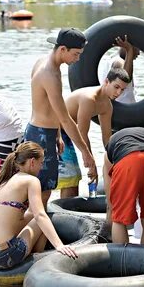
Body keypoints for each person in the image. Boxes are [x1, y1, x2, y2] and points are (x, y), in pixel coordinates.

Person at [25, 27, 97, 206]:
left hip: (38, 131)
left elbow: (50, 106)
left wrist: (57, 134)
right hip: (41, 136)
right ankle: (31, 232)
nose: (78, 59)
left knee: (38, 190)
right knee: (41, 193)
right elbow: (66, 118)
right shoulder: (50, 74)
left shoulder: (43, 61)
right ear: (62, 49)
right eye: (76, 54)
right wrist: (86, 153)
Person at [0, 141, 77, 269]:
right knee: (41, 220)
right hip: (4, 256)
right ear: (32, 162)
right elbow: (39, 215)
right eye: (41, 163)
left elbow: (26, 215)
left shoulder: (3, 180)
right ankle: (37, 262)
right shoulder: (32, 181)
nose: (41, 167)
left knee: (32, 217)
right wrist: (59, 245)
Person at [58, 68, 130, 198]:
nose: (118, 93)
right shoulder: (89, 99)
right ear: (106, 81)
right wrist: (92, 166)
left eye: (122, 90)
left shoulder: (107, 105)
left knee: (72, 179)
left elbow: (107, 138)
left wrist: (115, 162)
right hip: (55, 131)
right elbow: (82, 133)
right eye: (116, 87)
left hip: (68, 133)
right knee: (71, 178)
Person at [99, 35, 140, 104]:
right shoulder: (118, 61)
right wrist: (129, 50)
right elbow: (125, 78)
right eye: (136, 48)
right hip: (121, 111)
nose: (138, 53)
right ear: (124, 45)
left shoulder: (118, 60)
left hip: (127, 110)